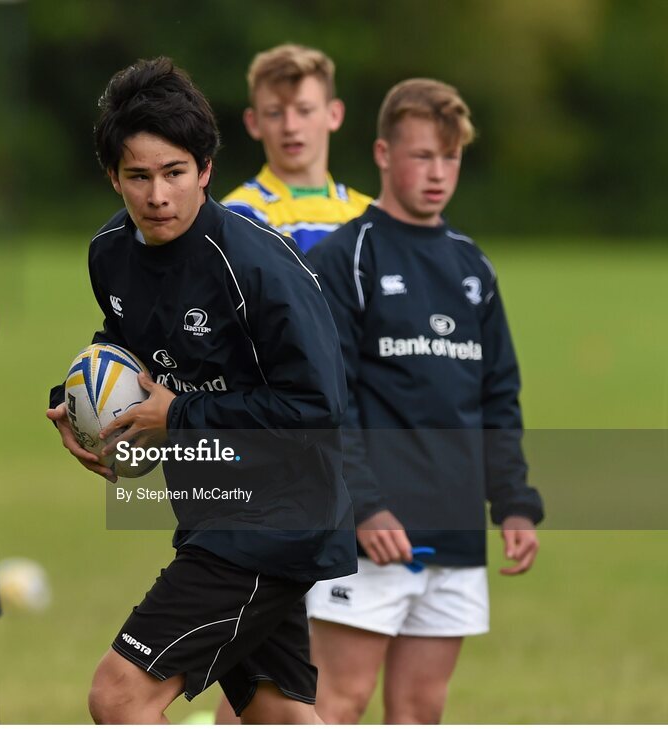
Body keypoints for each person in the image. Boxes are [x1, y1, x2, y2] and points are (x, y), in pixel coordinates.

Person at [45, 57, 356, 724]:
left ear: (206, 169)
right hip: (213, 508)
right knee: (278, 713)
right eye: (139, 176)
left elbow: (318, 407)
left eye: (175, 173)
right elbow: (126, 340)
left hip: (276, 516)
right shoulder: (109, 254)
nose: (158, 195)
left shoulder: (256, 265)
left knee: (120, 693)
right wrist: (77, 401)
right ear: (113, 177)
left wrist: (179, 413)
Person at [303, 78, 544, 723]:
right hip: (370, 539)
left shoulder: (474, 268)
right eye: (421, 156)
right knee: (336, 702)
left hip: (456, 534)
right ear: (383, 154)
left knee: (419, 711)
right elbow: (329, 401)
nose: (437, 173)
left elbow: (499, 396)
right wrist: (366, 507)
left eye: (450, 158)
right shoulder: (345, 257)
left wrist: (515, 502)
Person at [221, 44, 372, 252]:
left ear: (334, 114)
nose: (290, 127)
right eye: (274, 113)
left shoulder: (368, 214)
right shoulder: (237, 216)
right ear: (253, 122)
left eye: (304, 110)